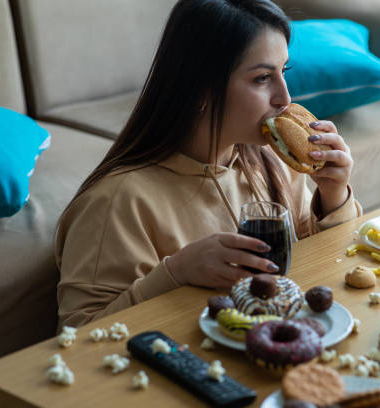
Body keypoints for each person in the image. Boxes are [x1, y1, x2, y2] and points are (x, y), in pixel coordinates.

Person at [55, 0, 362, 329]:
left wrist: (334, 196)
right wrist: (175, 273)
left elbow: (325, 271)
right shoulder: (117, 202)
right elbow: (77, 337)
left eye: (283, 72)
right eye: (261, 78)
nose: (285, 99)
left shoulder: (275, 160)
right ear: (200, 88)